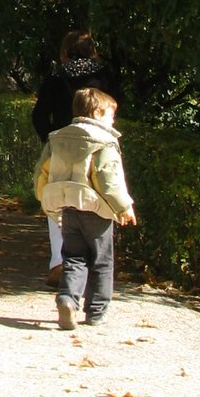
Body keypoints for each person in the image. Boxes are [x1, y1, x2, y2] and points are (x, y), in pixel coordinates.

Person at [34, 87, 137, 330]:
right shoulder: (105, 142)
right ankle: (96, 312)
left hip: (69, 207)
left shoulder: (57, 138)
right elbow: (107, 179)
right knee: (101, 261)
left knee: (73, 258)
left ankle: (68, 299)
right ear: (98, 112)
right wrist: (124, 207)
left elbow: (42, 171)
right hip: (97, 210)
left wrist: (44, 198)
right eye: (111, 114)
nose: (113, 120)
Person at [31, 30, 117, 285]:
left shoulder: (57, 75)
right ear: (92, 50)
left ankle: (60, 263)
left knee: (57, 200)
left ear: (65, 51)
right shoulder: (104, 76)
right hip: (97, 147)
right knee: (98, 201)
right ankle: (93, 265)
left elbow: (39, 114)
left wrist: (49, 141)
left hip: (61, 147)